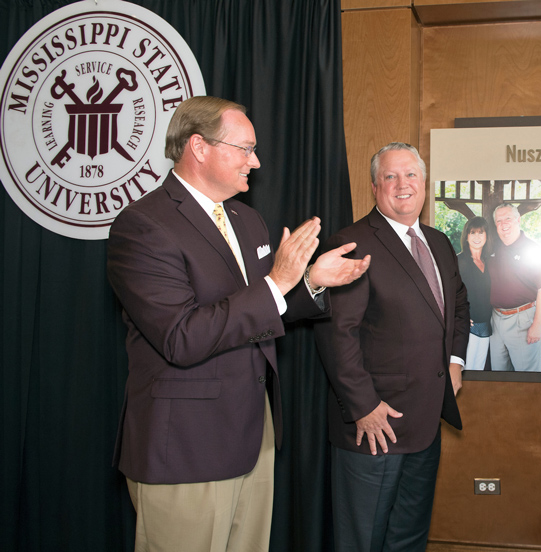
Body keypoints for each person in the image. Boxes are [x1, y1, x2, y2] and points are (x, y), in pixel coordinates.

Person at [106, 96, 370, 552]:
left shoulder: (248, 220)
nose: (257, 161)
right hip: (188, 444)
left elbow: (259, 312)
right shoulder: (143, 225)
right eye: (245, 149)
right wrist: (279, 281)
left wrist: (307, 282)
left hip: (255, 432)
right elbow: (181, 338)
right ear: (199, 147)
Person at [314, 142, 469, 551]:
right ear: (374, 187)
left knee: (408, 538)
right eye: (390, 176)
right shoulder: (350, 244)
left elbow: (458, 305)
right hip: (374, 428)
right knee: (362, 541)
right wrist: (363, 406)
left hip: (425, 425)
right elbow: (335, 334)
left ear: (424, 183)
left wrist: (454, 361)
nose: (403, 185)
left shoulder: (437, 242)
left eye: (411, 175)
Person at [488, 202, 541, 371]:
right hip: (496, 320)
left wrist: (537, 325)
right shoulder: (493, 249)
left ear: (518, 220)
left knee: (527, 379)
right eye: (499, 221)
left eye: (508, 218)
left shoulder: (533, 249)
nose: (503, 224)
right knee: (498, 376)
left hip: (522, 320)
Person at [457, 216, 492, 370]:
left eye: (481, 233)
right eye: (472, 233)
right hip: (467, 327)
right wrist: (459, 316)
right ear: (466, 236)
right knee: (467, 372)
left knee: (479, 373)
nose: (477, 237)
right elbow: (449, 292)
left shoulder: (489, 262)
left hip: (486, 325)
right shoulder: (458, 261)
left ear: (486, 236)